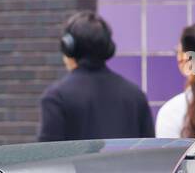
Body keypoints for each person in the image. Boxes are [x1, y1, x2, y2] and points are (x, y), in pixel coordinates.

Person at [37, 12, 154, 141]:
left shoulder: (56, 97)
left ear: (69, 47)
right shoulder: (135, 95)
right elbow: (149, 154)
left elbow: (49, 157)